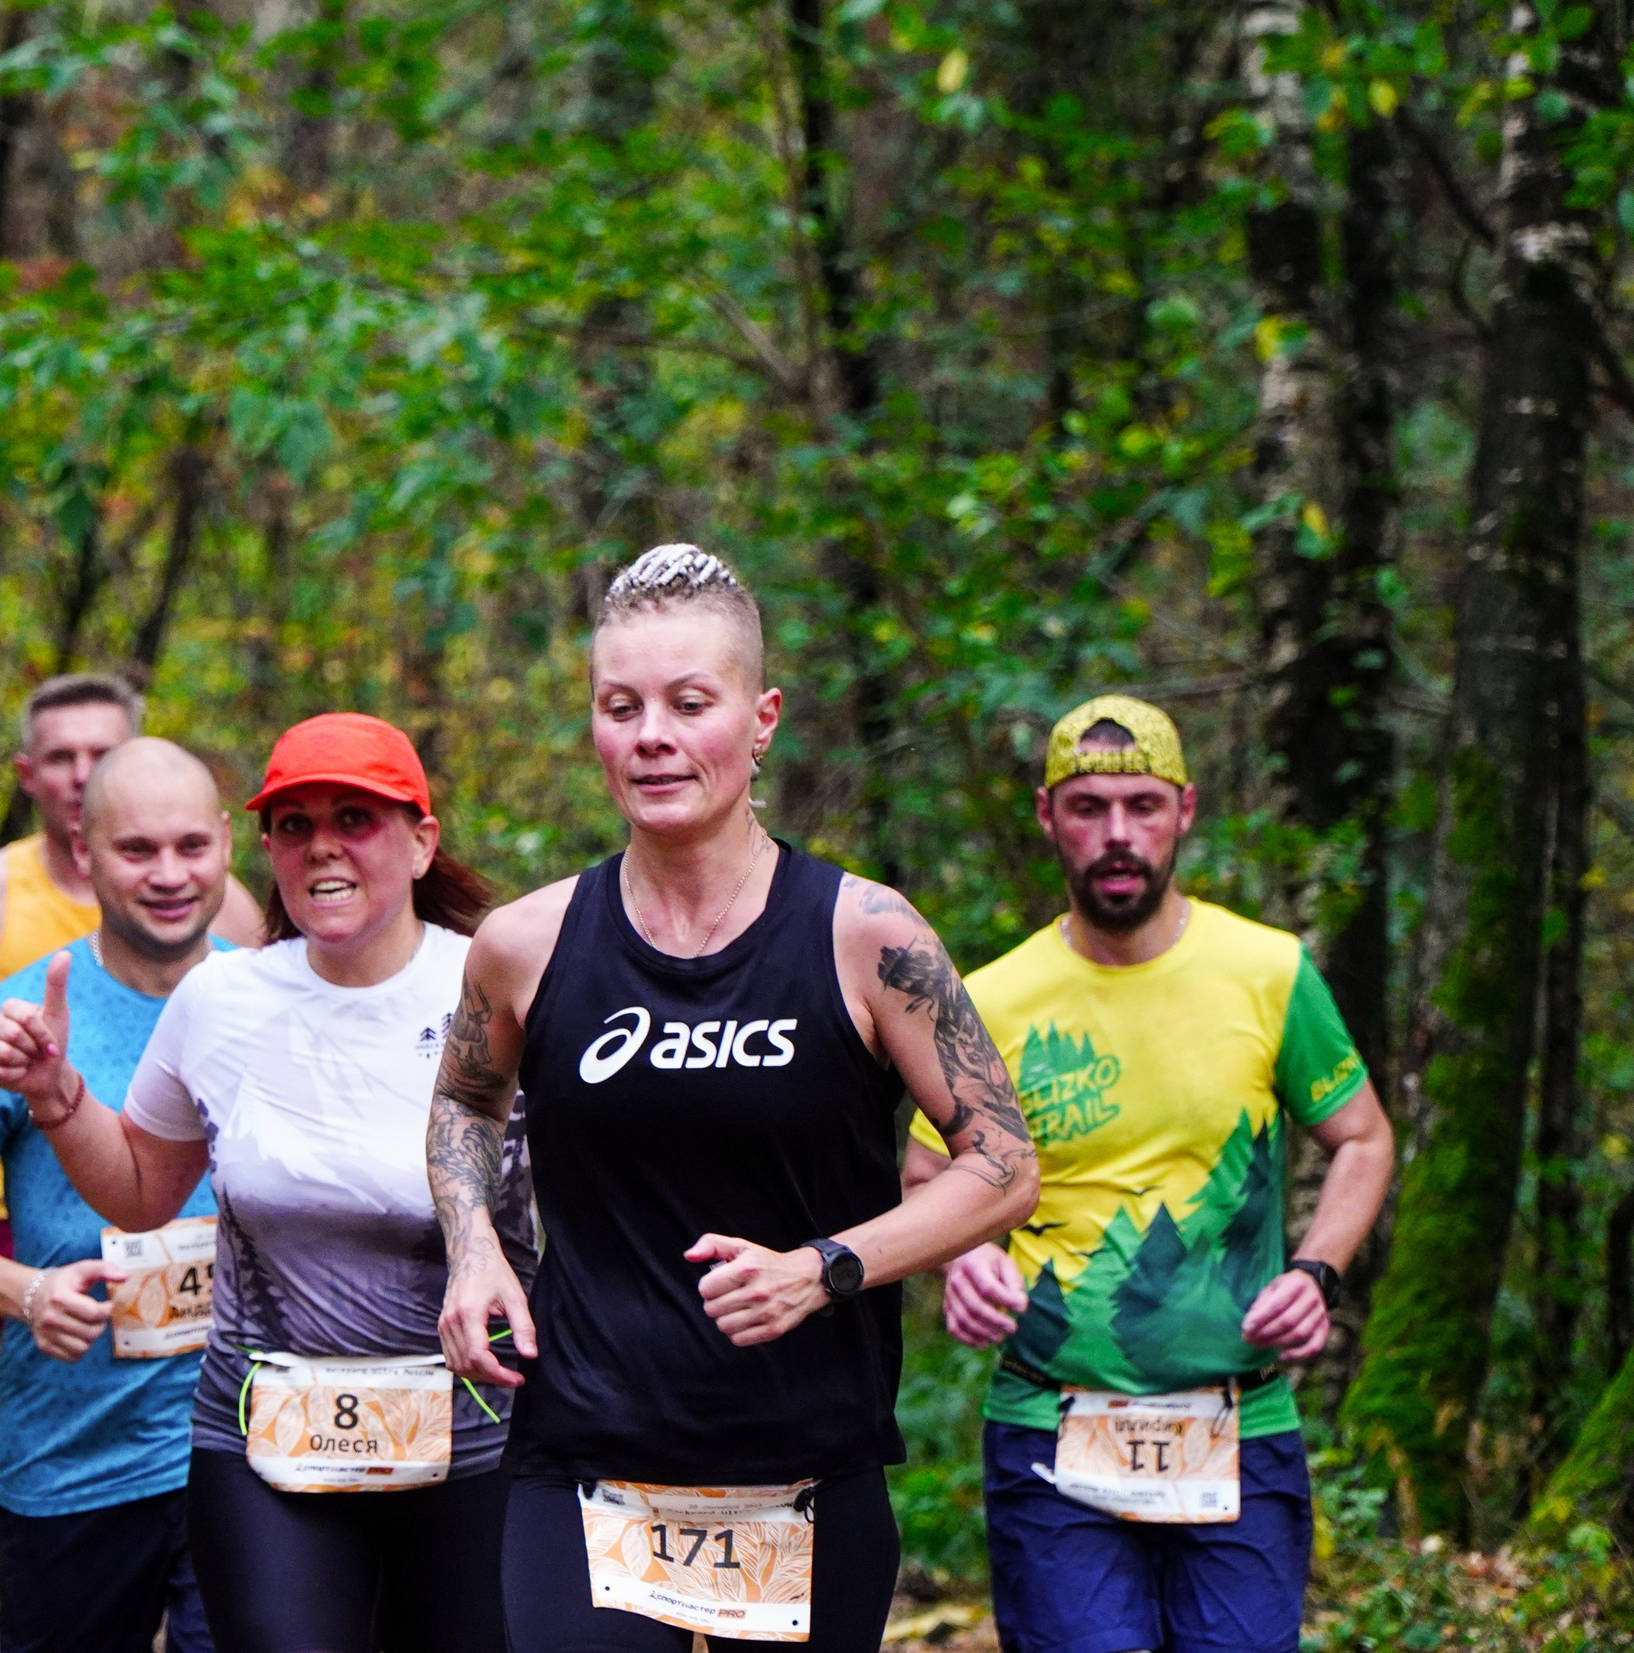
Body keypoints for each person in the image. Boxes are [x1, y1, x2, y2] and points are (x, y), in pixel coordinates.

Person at [428, 542, 1041, 1653]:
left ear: (762, 720)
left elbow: (1003, 1166)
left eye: (689, 702)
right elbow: (468, 1103)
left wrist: (825, 1266)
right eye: (620, 707)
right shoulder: (525, 943)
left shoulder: (867, 936)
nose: (651, 735)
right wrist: (475, 1248)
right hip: (587, 1460)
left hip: (805, 1466)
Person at [0, 712, 533, 1653]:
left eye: (355, 818)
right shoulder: (221, 997)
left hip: (476, 1440)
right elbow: (142, 1194)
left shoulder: (494, 985)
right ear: (268, 848)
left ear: (421, 840)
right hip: (268, 1447)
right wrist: (57, 1095)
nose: (323, 845)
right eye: (294, 824)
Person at [905, 694, 1394, 1653]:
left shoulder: (1270, 972)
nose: (1117, 834)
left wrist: (1317, 1271)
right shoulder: (992, 999)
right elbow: (928, 1174)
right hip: (1051, 1418)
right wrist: (963, 1258)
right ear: (1048, 817)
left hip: (1239, 1418)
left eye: (1143, 805)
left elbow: (1364, 1138)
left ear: (1185, 810)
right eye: (1088, 807)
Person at [0, 738, 241, 1653]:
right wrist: (27, 1291)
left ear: (227, 845)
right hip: (76, 1457)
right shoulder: (10, 1022)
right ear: (84, 851)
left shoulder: (278, 1001)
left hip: (250, 1455)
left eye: (191, 846)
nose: (170, 875)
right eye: (138, 850)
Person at [0, 673, 260, 1252]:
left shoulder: (224, 909)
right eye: (61, 757)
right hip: (27, 1194)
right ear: (27, 774)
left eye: (101, 755)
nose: (82, 774)